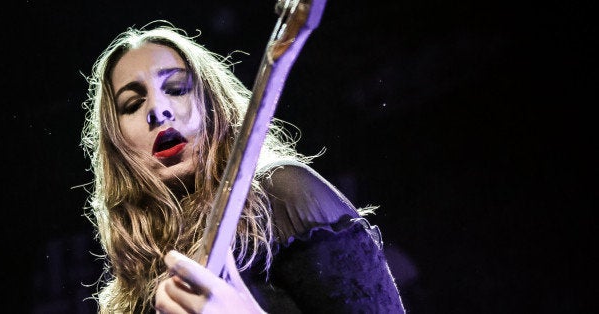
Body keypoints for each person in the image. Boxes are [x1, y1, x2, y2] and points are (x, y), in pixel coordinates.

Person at [81, 21, 405, 313]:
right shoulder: (130, 293)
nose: (158, 109)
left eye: (177, 88)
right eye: (132, 104)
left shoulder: (282, 194)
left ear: (213, 103)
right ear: (115, 143)